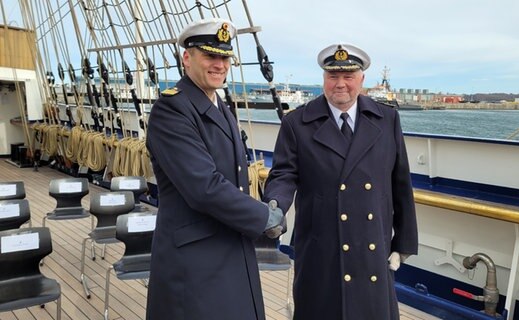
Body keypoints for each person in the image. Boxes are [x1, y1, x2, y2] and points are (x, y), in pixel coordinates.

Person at [263, 43, 418, 319]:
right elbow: (284, 175)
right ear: (323, 79)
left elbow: (400, 184)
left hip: (372, 248)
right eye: (333, 76)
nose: (340, 84)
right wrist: (275, 205)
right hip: (321, 248)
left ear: (361, 79)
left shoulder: (387, 120)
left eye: (348, 76)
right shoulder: (297, 123)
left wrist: (403, 244)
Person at [145, 18, 284, 320]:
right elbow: (204, 187)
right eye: (210, 55)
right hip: (195, 260)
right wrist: (262, 216)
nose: (219, 64)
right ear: (187, 58)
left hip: (229, 247)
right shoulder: (171, 110)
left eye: (225, 57)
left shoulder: (220, 105)